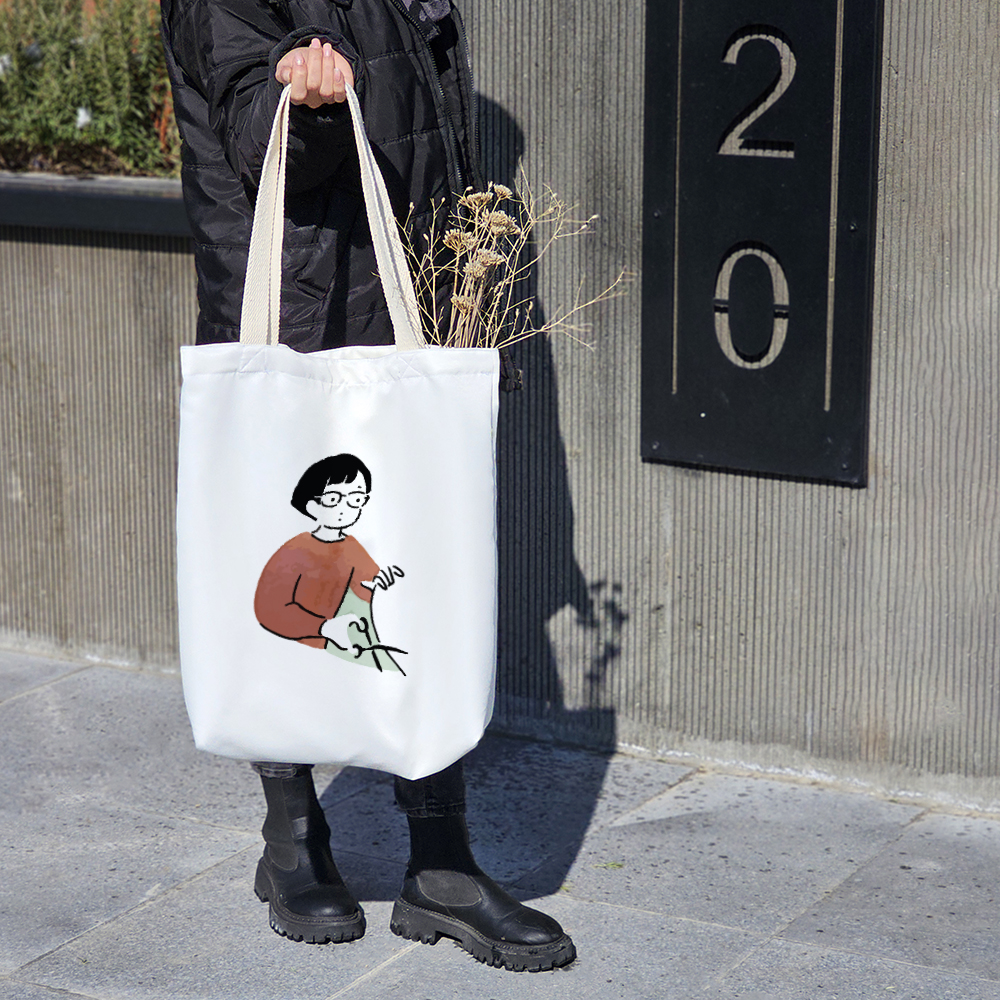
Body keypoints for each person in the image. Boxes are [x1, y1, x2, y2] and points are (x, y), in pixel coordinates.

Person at [159, 0, 575, 972]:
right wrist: (301, 104)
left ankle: (441, 861)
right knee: (284, 569)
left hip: (399, 300)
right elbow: (254, 133)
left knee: (416, 572)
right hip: (297, 306)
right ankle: (293, 837)